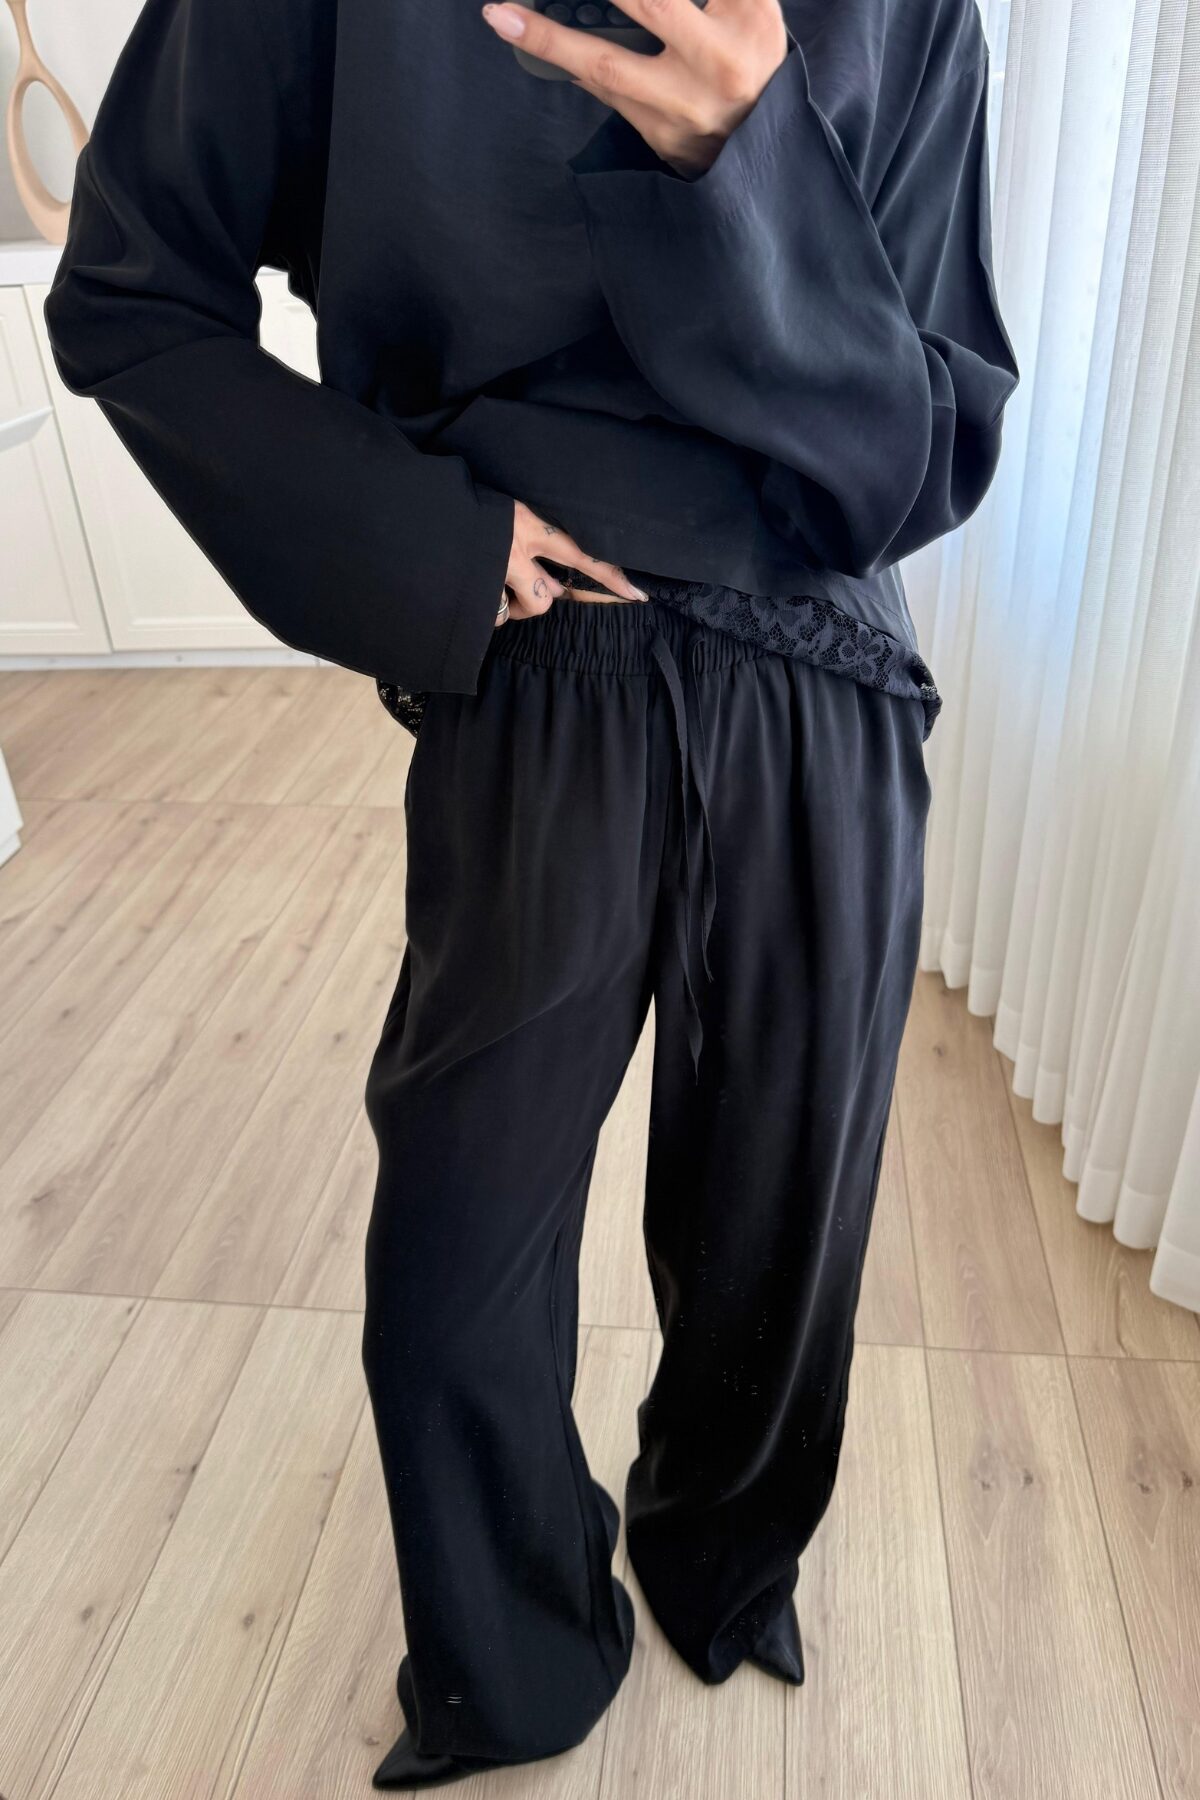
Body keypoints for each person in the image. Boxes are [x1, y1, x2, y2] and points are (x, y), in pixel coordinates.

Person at [43, 0, 1020, 1787]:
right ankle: (509, 1656)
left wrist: (749, 171)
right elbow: (129, 289)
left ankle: (724, 1556)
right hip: (538, 654)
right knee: (461, 1243)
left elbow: (924, 446)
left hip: (820, 664)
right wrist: (426, 540)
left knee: (788, 1214)